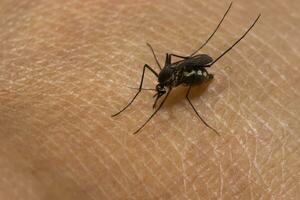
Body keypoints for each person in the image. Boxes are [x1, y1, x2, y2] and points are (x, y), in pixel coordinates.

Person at [0, 1, 298, 199]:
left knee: (185, 78)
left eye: (159, 90)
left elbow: (174, 81)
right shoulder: (162, 79)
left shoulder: (169, 80)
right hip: (181, 73)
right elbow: (162, 81)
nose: (160, 92)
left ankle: (204, 55)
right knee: (170, 76)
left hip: (194, 72)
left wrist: (186, 78)